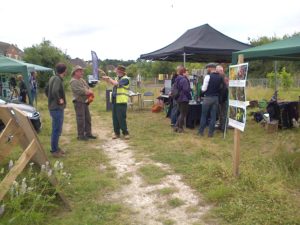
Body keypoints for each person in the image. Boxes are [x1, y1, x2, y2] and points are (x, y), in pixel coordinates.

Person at [101, 65, 130, 139]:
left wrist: (109, 78)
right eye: (117, 70)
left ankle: (125, 133)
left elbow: (116, 84)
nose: (116, 71)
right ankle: (116, 133)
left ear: (121, 71)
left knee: (121, 118)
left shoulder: (126, 79)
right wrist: (106, 79)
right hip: (114, 101)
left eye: (117, 70)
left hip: (121, 101)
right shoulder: (117, 78)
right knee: (115, 118)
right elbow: (112, 83)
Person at [70, 65, 97, 141]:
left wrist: (89, 90)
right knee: (80, 119)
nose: (82, 72)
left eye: (82, 71)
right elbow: (79, 91)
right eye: (80, 71)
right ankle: (80, 135)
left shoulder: (81, 80)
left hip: (84, 102)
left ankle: (88, 133)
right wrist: (88, 92)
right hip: (79, 102)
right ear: (75, 72)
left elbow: (88, 87)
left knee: (88, 118)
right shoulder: (73, 81)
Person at [46, 63, 67, 158]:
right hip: (57, 108)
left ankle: (56, 148)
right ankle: (54, 150)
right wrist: (59, 100)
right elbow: (54, 91)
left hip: (53, 107)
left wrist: (50, 99)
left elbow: (47, 90)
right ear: (64, 71)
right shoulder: (58, 79)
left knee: (57, 129)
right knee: (56, 129)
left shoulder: (52, 78)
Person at [198, 63, 223, 137]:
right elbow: (221, 88)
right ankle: (210, 133)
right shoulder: (220, 77)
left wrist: (201, 88)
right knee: (213, 116)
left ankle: (201, 132)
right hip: (216, 98)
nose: (207, 69)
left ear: (211, 68)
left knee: (204, 115)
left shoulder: (208, 76)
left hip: (208, 98)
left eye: (207, 68)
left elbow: (203, 89)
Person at [173, 66, 192, 133]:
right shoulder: (184, 79)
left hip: (179, 98)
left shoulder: (177, 78)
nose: (187, 73)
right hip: (184, 98)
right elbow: (186, 90)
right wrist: (189, 95)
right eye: (187, 72)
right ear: (183, 72)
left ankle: (176, 127)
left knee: (181, 113)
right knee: (183, 114)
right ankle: (180, 128)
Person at [216, 65, 229, 132]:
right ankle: (221, 126)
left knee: (224, 113)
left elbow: (225, 89)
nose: (217, 72)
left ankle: (224, 127)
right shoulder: (220, 77)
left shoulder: (224, 78)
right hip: (220, 98)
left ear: (221, 71)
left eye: (217, 71)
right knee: (220, 113)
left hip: (224, 98)